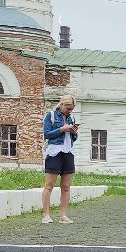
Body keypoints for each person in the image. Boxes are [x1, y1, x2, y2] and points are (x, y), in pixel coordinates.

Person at [41, 95, 77, 224]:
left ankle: (63, 215)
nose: (70, 111)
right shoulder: (50, 116)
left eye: (71, 109)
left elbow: (74, 138)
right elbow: (46, 134)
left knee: (66, 186)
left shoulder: (72, 117)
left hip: (69, 152)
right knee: (49, 185)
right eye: (68, 108)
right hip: (55, 152)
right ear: (61, 105)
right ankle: (46, 215)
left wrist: (73, 131)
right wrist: (62, 129)